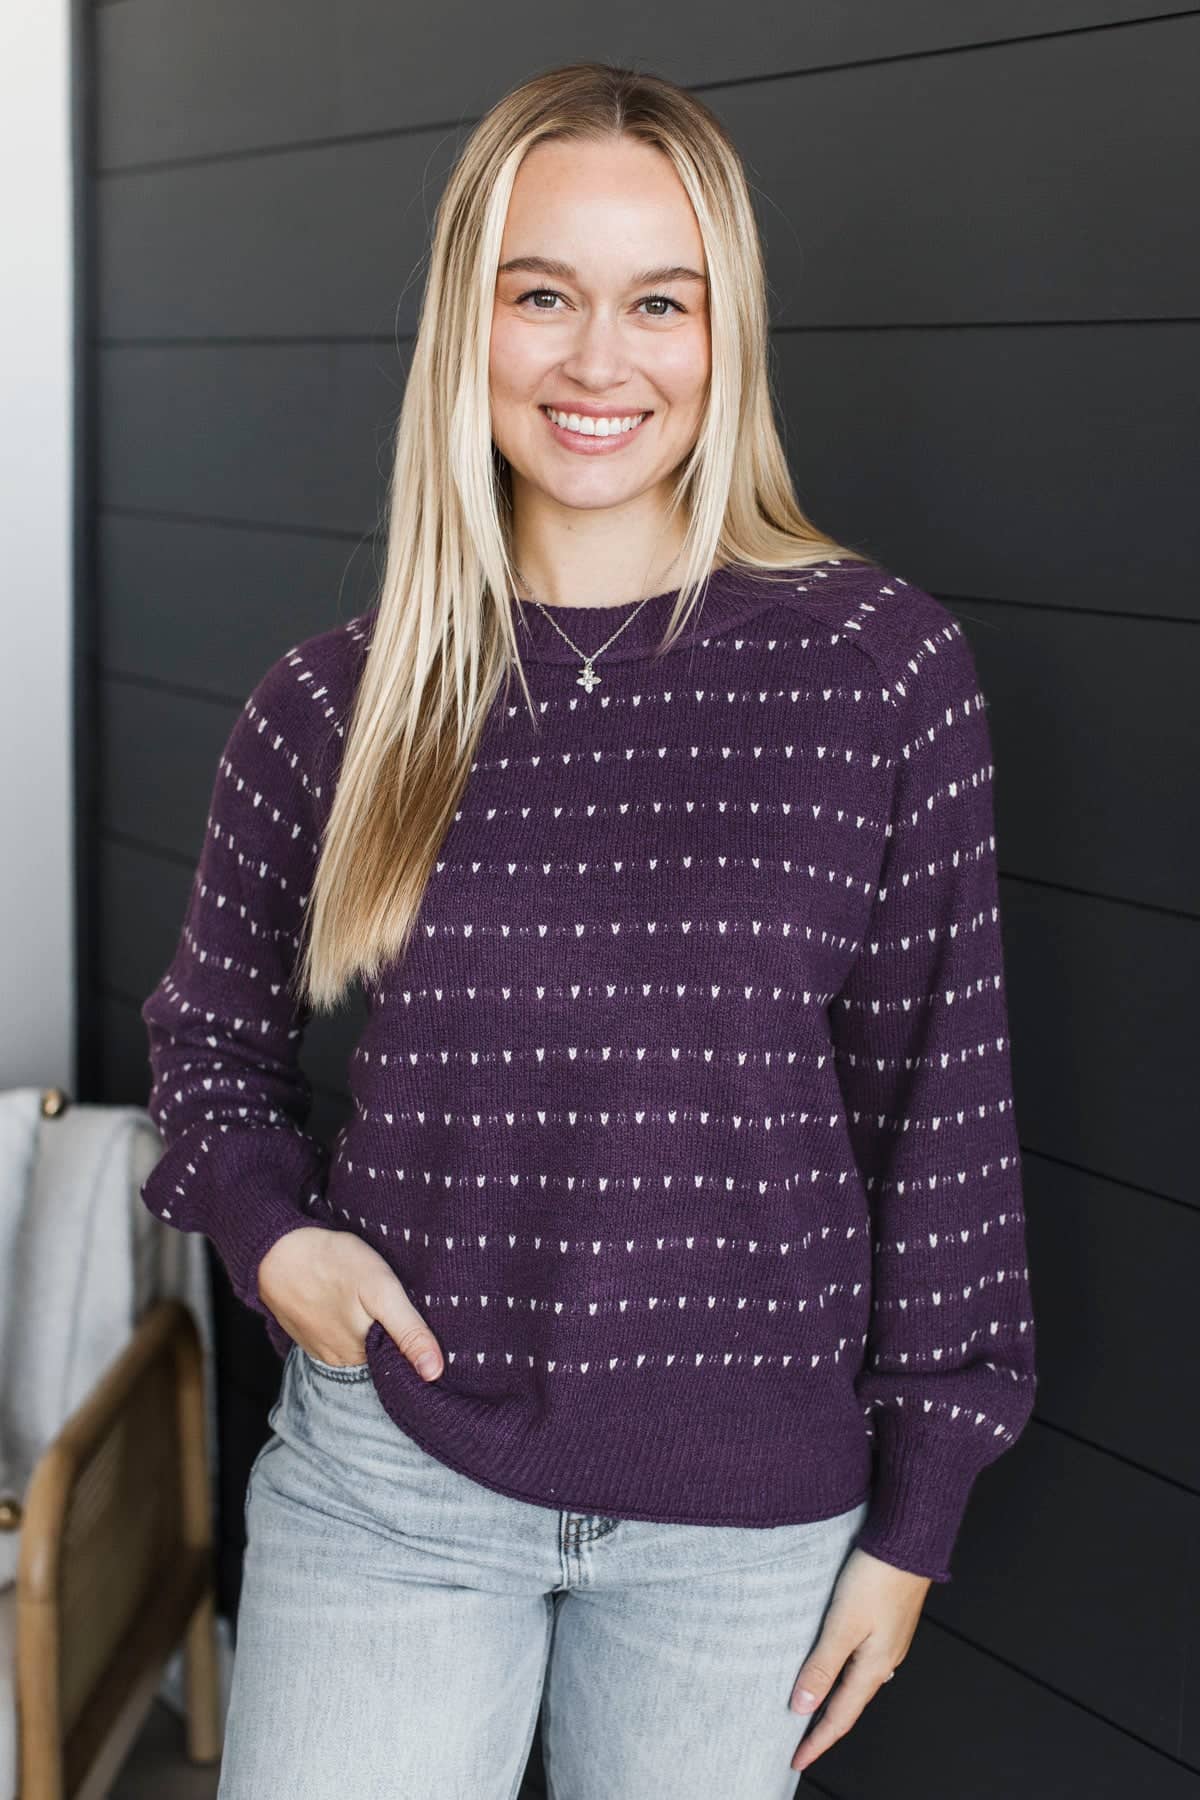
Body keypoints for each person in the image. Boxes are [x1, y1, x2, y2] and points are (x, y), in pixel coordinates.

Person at [139, 61, 1037, 1800]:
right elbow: (212, 1043)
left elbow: (944, 1114)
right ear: (465, 323)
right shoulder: (334, 702)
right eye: (541, 294)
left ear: (726, 332)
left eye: (659, 303)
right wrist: (273, 1240)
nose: (598, 361)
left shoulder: (879, 671)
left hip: (746, 1528)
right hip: (394, 1481)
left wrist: (917, 1517)